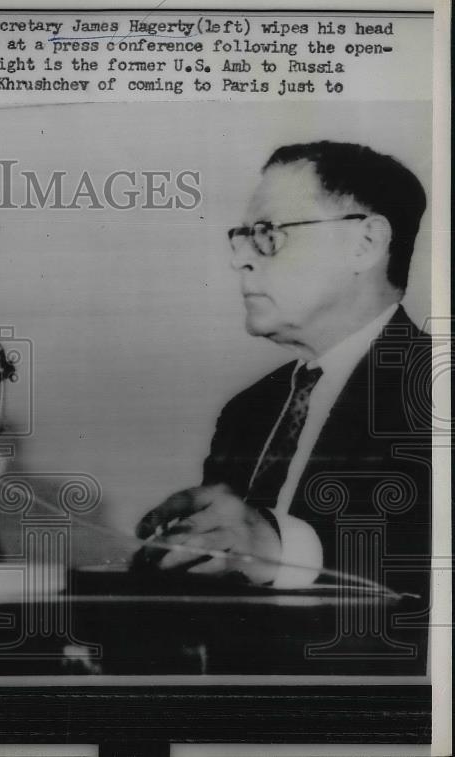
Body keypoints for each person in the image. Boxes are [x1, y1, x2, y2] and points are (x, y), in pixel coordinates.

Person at [136, 141, 432, 593]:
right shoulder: (246, 413)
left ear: (366, 243)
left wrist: (279, 550)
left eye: (268, 233)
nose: (240, 259)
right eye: (241, 237)